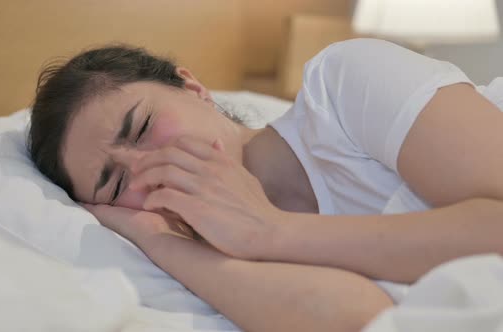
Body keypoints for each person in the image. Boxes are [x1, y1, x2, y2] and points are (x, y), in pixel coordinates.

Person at [28, 38, 503, 331]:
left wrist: (271, 231)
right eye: (115, 184)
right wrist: (157, 240)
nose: (150, 165)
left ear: (192, 88)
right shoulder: (203, 254)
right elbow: (361, 321)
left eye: (142, 126)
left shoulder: (343, 86)